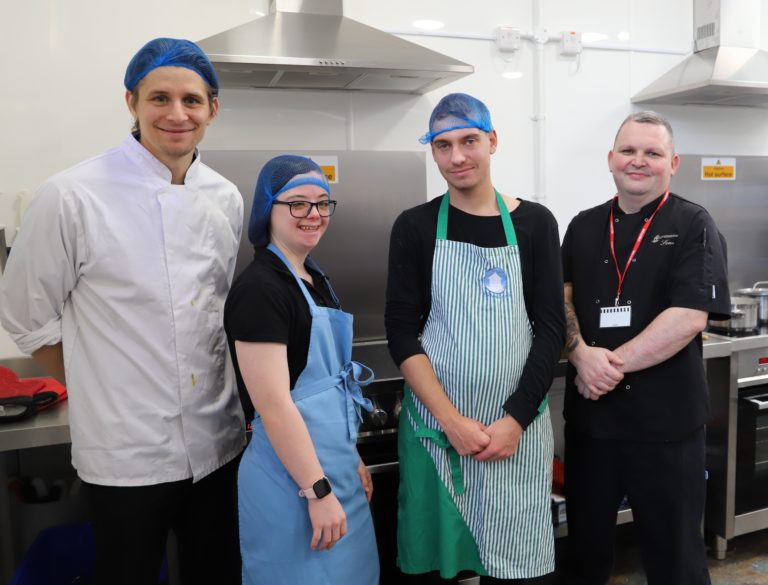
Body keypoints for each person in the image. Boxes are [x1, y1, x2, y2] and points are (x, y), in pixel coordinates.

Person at [0, 38, 245, 585]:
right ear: (131, 102)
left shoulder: (224, 196)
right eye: (160, 98)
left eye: (192, 100)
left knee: (219, 574)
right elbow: (24, 316)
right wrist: (95, 388)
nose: (176, 114)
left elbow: (216, 310)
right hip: (126, 452)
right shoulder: (71, 195)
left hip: (218, 444)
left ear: (213, 109)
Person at [386, 93, 565, 583]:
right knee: (439, 566)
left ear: (492, 141)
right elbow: (400, 330)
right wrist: (452, 422)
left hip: (517, 435)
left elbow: (551, 327)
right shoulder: (415, 226)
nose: (457, 156)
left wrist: (515, 421)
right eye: (442, 145)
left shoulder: (535, 223)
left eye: (469, 141)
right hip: (439, 435)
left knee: (520, 568)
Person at [561, 111, 730, 585]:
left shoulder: (694, 223)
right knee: (586, 555)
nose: (639, 161)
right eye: (629, 151)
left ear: (672, 163)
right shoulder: (584, 225)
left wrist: (605, 367)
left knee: (675, 559)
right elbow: (562, 298)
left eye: (652, 153)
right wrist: (580, 355)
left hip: (667, 428)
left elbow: (689, 316)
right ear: (611, 159)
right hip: (593, 426)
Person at [224, 155, 380, 585]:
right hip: (291, 484)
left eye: (322, 203)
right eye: (297, 204)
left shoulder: (314, 277)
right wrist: (318, 490)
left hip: (333, 471)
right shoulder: (261, 289)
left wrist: (352, 460)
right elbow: (274, 406)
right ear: (266, 210)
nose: (313, 215)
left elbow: (332, 389)